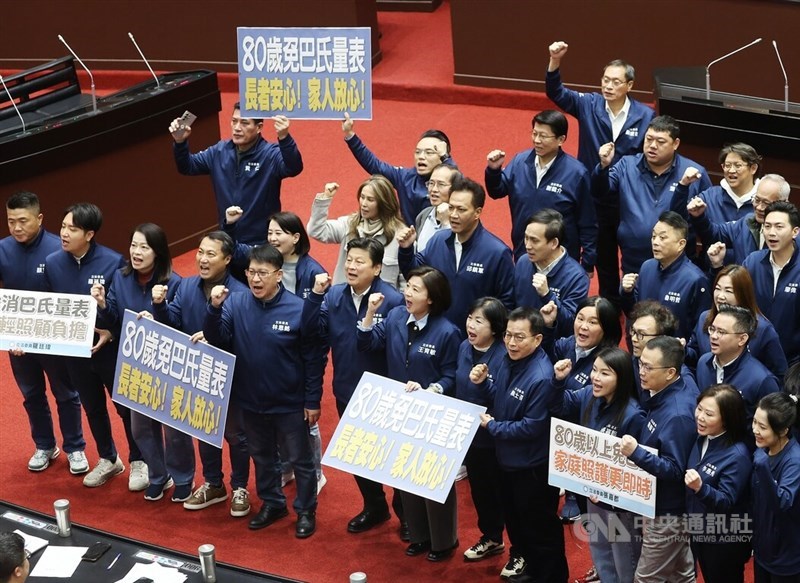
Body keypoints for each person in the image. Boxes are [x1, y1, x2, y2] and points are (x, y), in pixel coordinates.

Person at [204, 244, 323, 538]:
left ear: (279, 275)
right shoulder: (236, 303)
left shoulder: (298, 309)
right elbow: (218, 339)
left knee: (300, 460)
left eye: (263, 273)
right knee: (262, 456)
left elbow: (313, 359)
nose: (256, 279)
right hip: (250, 400)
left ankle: (306, 510)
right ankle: (273, 503)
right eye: (251, 272)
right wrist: (214, 310)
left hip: (289, 403)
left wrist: (311, 400)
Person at [303, 238, 407, 536]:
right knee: (359, 456)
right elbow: (312, 330)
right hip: (347, 389)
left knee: (392, 457)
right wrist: (314, 296)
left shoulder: (393, 300)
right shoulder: (334, 296)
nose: (351, 266)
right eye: (349, 260)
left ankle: (405, 514)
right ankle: (375, 506)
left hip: (384, 394)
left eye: (360, 261)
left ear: (377, 268)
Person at [357, 266, 461, 561]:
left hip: (433, 414)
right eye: (408, 287)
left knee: (432, 478)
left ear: (432, 298)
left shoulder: (447, 332)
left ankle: (443, 541)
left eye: (416, 289)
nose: (408, 293)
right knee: (405, 475)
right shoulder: (394, 318)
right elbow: (367, 344)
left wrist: (434, 389)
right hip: (400, 411)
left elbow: (453, 374)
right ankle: (419, 536)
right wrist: (368, 313)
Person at [545, 42, 655, 306]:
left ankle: (636, 302)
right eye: (605, 80)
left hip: (629, 195)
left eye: (616, 82)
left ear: (629, 85)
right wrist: (554, 61)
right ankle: (610, 305)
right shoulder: (589, 104)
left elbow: (648, 155)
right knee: (604, 253)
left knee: (632, 251)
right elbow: (556, 92)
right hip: (595, 193)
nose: (608, 86)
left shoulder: (645, 115)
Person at [151, 231, 252, 517]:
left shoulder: (241, 294)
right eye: (200, 252)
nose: (203, 259)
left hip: (229, 377)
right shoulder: (185, 286)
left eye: (211, 254)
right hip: (195, 374)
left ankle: (240, 487)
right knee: (204, 429)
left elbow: (243, 338)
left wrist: (215, 339)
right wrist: (158, 306)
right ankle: (213, 483)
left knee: (235, 434)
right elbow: (172, 323)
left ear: (228, 259)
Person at [44, 203, 144, 489]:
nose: (63, 233)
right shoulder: (53, 263)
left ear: (89, 234)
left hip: (110, 351)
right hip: (75, 352)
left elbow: (123, 307)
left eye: (71, 229)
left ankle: (139, 459)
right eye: (62, 226)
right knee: (93, 407)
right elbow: (51, 308)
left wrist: (111, 333)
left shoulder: (113, 263)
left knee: (124, 407)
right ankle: (108, 458)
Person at [92, 223, 192, 502]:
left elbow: (179, 324)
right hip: (135, 365)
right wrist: (102, 303)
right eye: (133, 245)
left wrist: (156, 319)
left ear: (157, 252)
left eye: (144, 247)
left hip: (167, 366)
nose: (136, 252)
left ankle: (183, 477)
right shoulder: (121, 277)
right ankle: (159, 475)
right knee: (140, 428)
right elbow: (113, 319)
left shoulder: (175, 283)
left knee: (173, 430)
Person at [228, 210, 326, 490]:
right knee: (271, 431)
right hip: (272, 345)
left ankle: (316, 472)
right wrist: (232, 226)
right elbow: (235, 250)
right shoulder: (262, 265)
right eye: (269, 232)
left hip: (299, 347)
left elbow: (317, 325)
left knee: (305, 426)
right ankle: (285, 471)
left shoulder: (312, 270)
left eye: (278, 233)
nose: (272, 238)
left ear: (295, 238)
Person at [472, 307, 568, 583]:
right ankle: (533, 571)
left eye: (519, 337)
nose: (512, 343)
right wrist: (481, 385)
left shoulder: (541, 376)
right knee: (517, 524)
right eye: (508, 336)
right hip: (507, 462)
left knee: (540, 531)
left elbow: (532, 426)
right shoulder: (506, 359)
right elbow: (502, 399)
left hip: (532, 468)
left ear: (537, 340)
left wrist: (493, 427)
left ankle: (550, 577)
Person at [0, 192, 86, 474]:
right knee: (32, 395)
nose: (16, 228)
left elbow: (72, 293)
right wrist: (12, 335)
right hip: (17, 343)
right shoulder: (3, 249)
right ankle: (45, 445)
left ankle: (75, 448)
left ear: (39, 218)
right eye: (11, 221)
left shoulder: (58, 249)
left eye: (23, 221)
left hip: (56, 340)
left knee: (66, 394)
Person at [550, 347, 646, 583]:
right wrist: (558, 382)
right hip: (592, 497)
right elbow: (558, 406)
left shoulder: (633, 414)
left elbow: (636, 468)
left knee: (624, 559)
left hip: (618, 507)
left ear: (621, 378)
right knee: (600, 549)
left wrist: (607, 490)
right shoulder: (588, 396)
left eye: (605, 373)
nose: (595, 377)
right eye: (594, 370)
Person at [169, 102, 303, 245]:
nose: (237, 128)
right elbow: (188, 166)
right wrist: (180, 142)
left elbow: (293, 167)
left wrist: (284, 138)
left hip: (260, 242)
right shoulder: (219, 151)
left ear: (259, 128)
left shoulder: (270, 154)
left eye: (244, 123)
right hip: (227, 237)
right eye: (234, 121)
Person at [593, 115, 712, 275]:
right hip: (633, 261)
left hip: (678, 265)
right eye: (648, 139)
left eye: (661, 142)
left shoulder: (694, 173)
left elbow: (708, 222)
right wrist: (603, 167)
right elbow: (600, 193)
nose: (652, 146)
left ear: (675, 144)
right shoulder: (626, 165)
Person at [620, 336, 697, 583]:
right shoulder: (666, 390)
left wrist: (636, 453)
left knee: (646, 579)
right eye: (640, 363)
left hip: (668, 512)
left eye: (648, 367)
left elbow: (676, 470)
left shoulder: (677, 415)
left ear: (670, 372)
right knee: (680, 575)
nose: (641, 372)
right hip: (660, 504)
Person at [397, 175, 515, 335]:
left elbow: (506, 304)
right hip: (436, 336)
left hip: (474, 342)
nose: (453, 215)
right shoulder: (438, 241)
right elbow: (415, 274)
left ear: (477, 212)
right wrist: (406, 249)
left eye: (461, 209)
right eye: (451, 207)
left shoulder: (497, 252)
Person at [484, 109, 597, 272]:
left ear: (561, 139)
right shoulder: (519, 162)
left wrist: (587, 262)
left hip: (560, 260)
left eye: (543, 136)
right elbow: (497, 191)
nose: (537, 140)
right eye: (534, 133)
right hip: (525, 252)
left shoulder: (577, 173)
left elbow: (588, 222)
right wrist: (494, 171)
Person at [542, 295, 621, 524]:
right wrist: (548, 327)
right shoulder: (568, 344)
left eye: (593, 322)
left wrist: (556, 384)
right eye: (580, 318)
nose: (583, 326)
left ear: (606, 328)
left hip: (584, 433)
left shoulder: (608, 361)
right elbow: (544, 354)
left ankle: (574, 494)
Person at [456, 298, 508, 563]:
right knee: (480, 491)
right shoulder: (464, 346)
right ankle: (491, 538)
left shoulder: (504, 355)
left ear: (496, 328)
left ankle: (518, 549)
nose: (471, 325)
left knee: (501, 493)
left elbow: (503, 398)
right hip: (469, 435)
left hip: (496, 438)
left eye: (479, 321)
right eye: (469, 317)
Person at [684, 384, 753, 583]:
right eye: (699, 409)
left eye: (709, 414)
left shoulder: (737, 456)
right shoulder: (701, 438)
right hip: (700, 529)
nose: (700, 417)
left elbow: (726, 501)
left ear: (727, 419)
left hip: (724, 540)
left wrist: (700, 488)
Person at [341, 112, 453, 225]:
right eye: (418, 152)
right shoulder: (404, 177)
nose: (421, 157)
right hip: (409, 240)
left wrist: (446, 158)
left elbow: (457, 179)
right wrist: (350, 135)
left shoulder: (453, 181)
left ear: (442, 157)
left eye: (429, 152)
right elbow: (374, 164)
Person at [621, 211, 710, 341]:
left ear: (681, 244)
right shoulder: (647, 267)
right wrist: (627, 293)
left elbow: (701, 329)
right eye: (653, 236)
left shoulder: (695, 279)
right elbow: (633, 312)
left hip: (673, 354)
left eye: (662, 238)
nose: (655, 242)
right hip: (643, 348)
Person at [685, 264, 787, 379]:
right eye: (717, 289)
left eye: (728, 291)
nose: (720, 296)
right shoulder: (705, 318)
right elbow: (694, 356)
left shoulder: (763, 329)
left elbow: (779, 373)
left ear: (743, 295)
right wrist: (683, 350)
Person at [307, 175, 404, 289]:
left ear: (384, 203)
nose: (363, 203)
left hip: (381, 303)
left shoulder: (400, 236)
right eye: (362, 197)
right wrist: (325, 198)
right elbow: (316, 230)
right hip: (345, 302)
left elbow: (405, 279)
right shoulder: (349, 224)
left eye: (370, 199)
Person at [695, 305, 780, 429]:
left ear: (742, 339)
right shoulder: (703, 363)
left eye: (721, 332)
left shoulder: (761, 380)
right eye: (712, 329)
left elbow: (769, 428)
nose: (713, 336)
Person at [513, 209, 589, 338]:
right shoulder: (523, 262)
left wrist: (547, 295)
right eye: (526, 238)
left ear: (554, 243)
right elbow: (513, 302)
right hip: (519, 341)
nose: (527, 245)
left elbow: (571, 324)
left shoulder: (577, 277)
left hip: (552, 348)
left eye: (534, 240)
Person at [689, 173, 791, 267]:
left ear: (783, 203)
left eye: (766, 203)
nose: (759, 207)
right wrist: (699, 216)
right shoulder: (746, 223)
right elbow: (713, 234)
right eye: (757, 200)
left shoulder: (792, 236)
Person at [742, 201, 800, 366]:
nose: (771, 233)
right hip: (752, 358)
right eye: (767, 226)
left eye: (779, 227)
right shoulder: (752, 262)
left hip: (793, 363)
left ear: (795, 231)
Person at [750, 392, 800, 582]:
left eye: (762, 427)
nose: (755, 430)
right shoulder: (763, 450)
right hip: (763, 551)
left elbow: (782, 503)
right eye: (754, 422)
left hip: (786, 558)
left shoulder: (794, 461)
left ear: (783, 430)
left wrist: (762, 468)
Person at [628, 301, 699, 402]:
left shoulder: (683, 380)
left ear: (661, 338)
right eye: (633, 331)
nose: (634, 338)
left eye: (641, 334)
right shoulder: (636, 360)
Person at [697, 143, 760, 224]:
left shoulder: (765, 199)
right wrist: (683, 187)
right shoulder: (710, 196)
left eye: (738, 166)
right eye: (727, 165)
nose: (731, 170)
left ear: (753, 168)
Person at [414, 163, 458, 252]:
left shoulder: (464, 219)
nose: (434, 189)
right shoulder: (423, 215)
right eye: (431, 183)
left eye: (441, 184)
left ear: (455, 188)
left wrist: (446, 224)